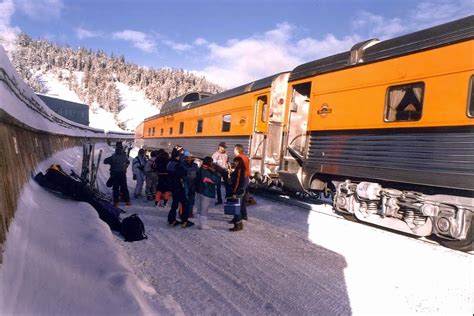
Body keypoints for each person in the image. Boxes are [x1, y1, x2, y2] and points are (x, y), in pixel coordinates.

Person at [167, 146, 194, 228]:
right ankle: (184, 221)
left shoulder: (169, 162)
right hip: (178, 185)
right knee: (184, 203)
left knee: (174, 204)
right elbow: (184, 173)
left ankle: (171, 220)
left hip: (172, 185)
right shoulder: (177, 164)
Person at [195, 156, 220, 230]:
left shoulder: (200, 169)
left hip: (198, 190)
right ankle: (203, 224)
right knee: (204, 208)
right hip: (206, 191)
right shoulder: (208, 171)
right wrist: (215, 173)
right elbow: (215, 180)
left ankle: (199, 223)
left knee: (199, 207)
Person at [228, 156, 246, 231]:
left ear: (238, 162)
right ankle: (239, 224)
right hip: (240, 190)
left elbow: (238, 181)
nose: (234, 163)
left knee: (236, 208)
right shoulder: (240, 169)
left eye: (235, 161)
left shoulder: (239, 169)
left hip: (238, 190)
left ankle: (238, 225)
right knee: (237, 207)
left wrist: (234, 191)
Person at [234, 144, 250, 221]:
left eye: (234, 149)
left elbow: (239, 173)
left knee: (238, 200)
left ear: (237, 150)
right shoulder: (245, 157)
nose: (233, 151)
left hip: (242, 180)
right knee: (243, 199)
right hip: (246, 178)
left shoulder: (239, 158)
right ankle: (244, 215)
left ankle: (237, 219)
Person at [181, 151, 199, 218]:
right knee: (185, 198)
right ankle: (183, 212)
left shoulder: (195, 165)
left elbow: (198, 174)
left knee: (191, 198)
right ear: (185, 158)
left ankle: (190, 212)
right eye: (187, 157)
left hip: (193, 183)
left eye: (190, 157)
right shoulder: (182, 164)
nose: (188, 159)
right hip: (185, 182)